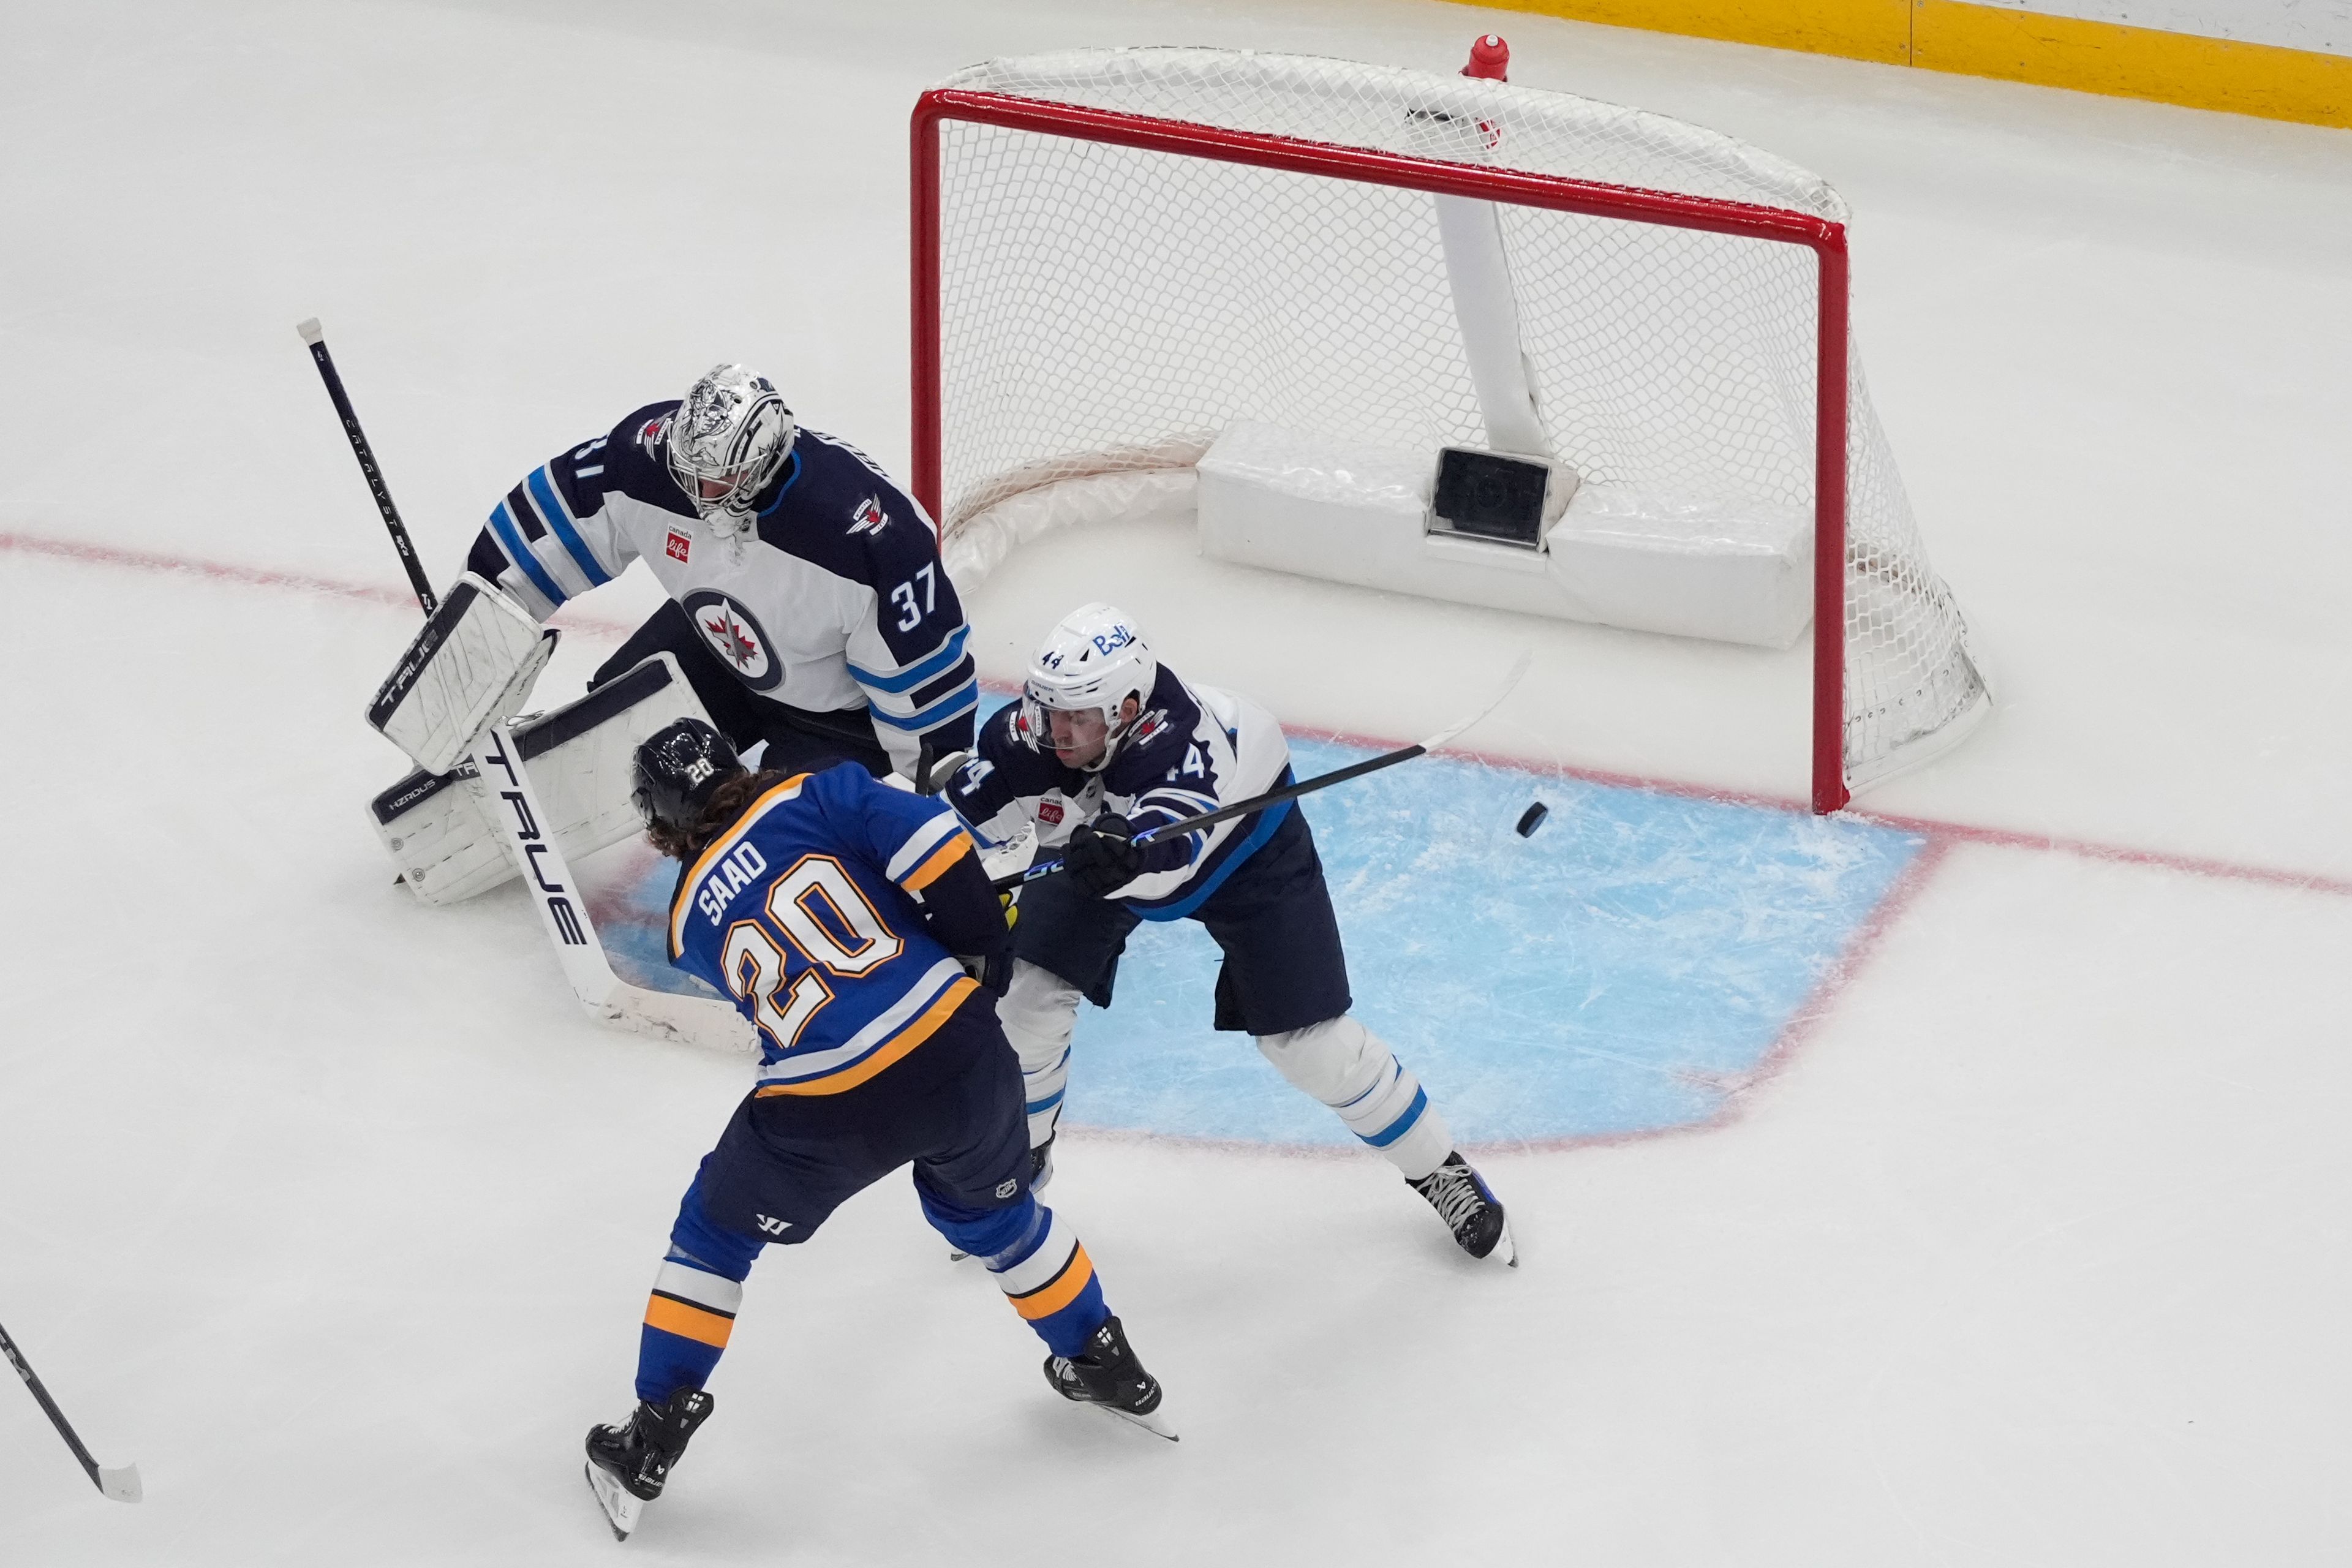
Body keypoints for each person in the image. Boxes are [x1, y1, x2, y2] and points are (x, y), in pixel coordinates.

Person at [582, 718, 1170, 1543]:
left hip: (826, 1100)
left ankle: (653, 1433)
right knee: (994, 1218)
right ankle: (1105, 1361)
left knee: (713, 1238)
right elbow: (934, 848)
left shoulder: (688, 926)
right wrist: (981, 952)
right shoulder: (820, 790)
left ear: (662, 824)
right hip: (961, 1052)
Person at [942, 604, 1514, 1265]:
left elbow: (1166, 860)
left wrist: (1128, 849)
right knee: (1028, 999)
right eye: (1049, 712)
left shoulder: (1181, 745)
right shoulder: (1032, 731)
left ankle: (1439, 1169)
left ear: (1127, 708)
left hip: (1245, 860)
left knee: (1309, 1046)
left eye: (1079, 717)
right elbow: (967, 819)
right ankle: (1018, 1170)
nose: (1058, 733)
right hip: (1103, 850)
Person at [464, 364, 976, 778]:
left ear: (762, 465)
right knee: (610, 729)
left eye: (717, 480)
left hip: (839, 723)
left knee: (777, 837)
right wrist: (478, 625)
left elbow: (927, 694)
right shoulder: (647, 463)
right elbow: (544, 525)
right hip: (715, 654)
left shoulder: (873, 538)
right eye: (690, 473)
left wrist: (944, 788)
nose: (695, 495)